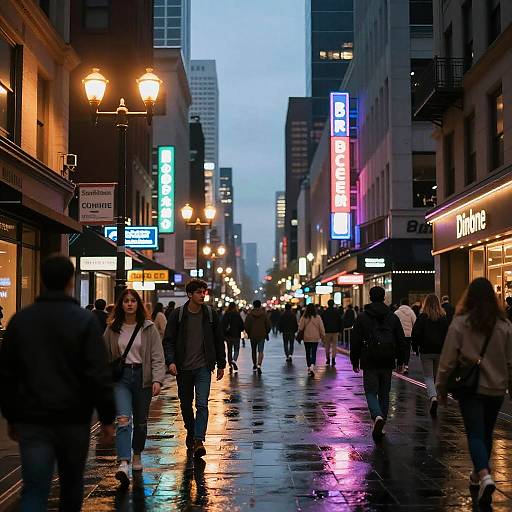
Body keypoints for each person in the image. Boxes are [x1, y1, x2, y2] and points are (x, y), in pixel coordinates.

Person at [0, 255, 115, 511]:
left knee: (34, 488)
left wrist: (11, 415)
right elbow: (98, 373)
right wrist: (107, 418)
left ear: (41, 280)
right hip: (73, 418)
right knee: (71, 486)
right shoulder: (83, 321)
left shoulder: (20, 321)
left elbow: (7, 373)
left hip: (32, 417)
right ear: (70, 282)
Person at [437, 278, 512, 507]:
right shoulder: (505, 325)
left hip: (470, 388)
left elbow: (448, 359)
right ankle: (476, 474)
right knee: (487, 432)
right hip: (497, 388)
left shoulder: (460, 323)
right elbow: (510, 361)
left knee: (475, 433)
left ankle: (485, 475)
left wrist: (441, 386)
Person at [103, 289, 166, 486]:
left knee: (140, 421)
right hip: (121, 378)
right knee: (123, 419)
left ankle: (137, 453)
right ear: (120, 305)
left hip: (142, 377)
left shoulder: (148, 327)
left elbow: (157, 356)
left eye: (133, 301)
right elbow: (103, 354)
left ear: (138, 304)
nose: (129, 304)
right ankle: (123, 461)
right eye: (126, 301)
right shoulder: (112, 328)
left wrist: (157, 379)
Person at [163, 279, 226, 458]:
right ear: (190, 295)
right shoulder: (178, 314)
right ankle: (191, 430)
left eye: (203, 292)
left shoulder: (210, 314)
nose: (202, 295)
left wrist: (221, 364)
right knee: (185, 404)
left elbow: (218, 340)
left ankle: (198, 440)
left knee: (202, 404)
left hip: (203, 368)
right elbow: (168, 340)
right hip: (183, 368)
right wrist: (171, 361)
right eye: (198, 292)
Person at [351, 286, 406, 442]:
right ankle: (382, 423)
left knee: (370, 391)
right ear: (384, 298)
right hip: (388, 359)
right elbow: (401, 340)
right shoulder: (392, 317)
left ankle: (377, 416)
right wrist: (401, 361)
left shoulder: (362, 317)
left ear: (370, 297)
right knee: (384, 393)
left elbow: (355, 341)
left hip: (369, 359)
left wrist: (354, 360)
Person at [411, 294, 448, 417]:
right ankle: (436, 395)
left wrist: (415, 347)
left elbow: (415, 333)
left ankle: (433, 397)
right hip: (440, 350)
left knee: (428, 376)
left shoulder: (422, 317)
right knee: (437, 376)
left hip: (426, 350)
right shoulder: (443, 318)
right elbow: (448, 334)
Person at [244, 300, 271, 375]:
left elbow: (246, 325)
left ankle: (254, 364)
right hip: (262, 334)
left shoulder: (250, 315)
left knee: (253, 350)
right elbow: (268, 325)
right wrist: (266, 332)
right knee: (261, 350)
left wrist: (249, 332)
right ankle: (259, 365)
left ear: (253, 305)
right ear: (260, 305)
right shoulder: (264, 314)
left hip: (253, 335)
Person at [298, 303, 325, 377]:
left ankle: (309, 366)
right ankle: (312, 366)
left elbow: (300, 328)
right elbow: (321, 328)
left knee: (307, 352)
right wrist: (323, 336)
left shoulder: (304, 317)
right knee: (313, 352)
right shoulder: (318, 317)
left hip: (306, 338)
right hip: (315, 338)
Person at [394, 298, 417, 374]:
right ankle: (406, 366)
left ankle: (399, 365)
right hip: (408, 334)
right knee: (407, 350)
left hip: (399, 335)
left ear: (401, 304)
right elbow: (415, 322)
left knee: (399, 349)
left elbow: (393, 324)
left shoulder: (397, 312)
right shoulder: (411, 312)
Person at [221, 303, 244, 373]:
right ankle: (234, 360)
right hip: (236, 335)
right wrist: (240, 330)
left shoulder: (226, 314)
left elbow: (222, 325)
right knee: (236, 349)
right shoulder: (237, 315)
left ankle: (230, 364)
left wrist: (223, 334)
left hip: (228, 336)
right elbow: (242, 325)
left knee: (229, 350)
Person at [321, 299, 343, 366]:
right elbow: (340, 321)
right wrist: (340, 330)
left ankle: (328, 359)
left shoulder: (325, 312)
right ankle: (333, 359)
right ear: (333, 304)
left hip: (327, 331)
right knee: (334, 345)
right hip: (335, 331)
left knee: (327, 345)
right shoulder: (336, 312)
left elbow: (322, 322)